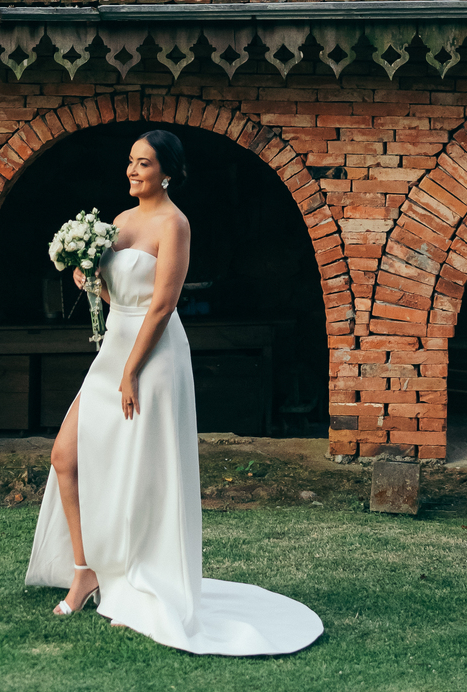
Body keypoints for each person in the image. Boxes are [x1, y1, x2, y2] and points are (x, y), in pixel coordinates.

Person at [25, 129, 323, 655]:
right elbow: (112, 289)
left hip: (153, 356)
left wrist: (131, 371)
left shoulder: (174, 224)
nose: (133, 171)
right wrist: (84, 273)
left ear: (167, 171)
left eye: (143, 164)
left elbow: (161, 304)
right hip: (113, 348)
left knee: (143, 468)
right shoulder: (117, 222)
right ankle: (85, 569)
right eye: (130, 163)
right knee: (66, 457)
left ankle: (143, 574)